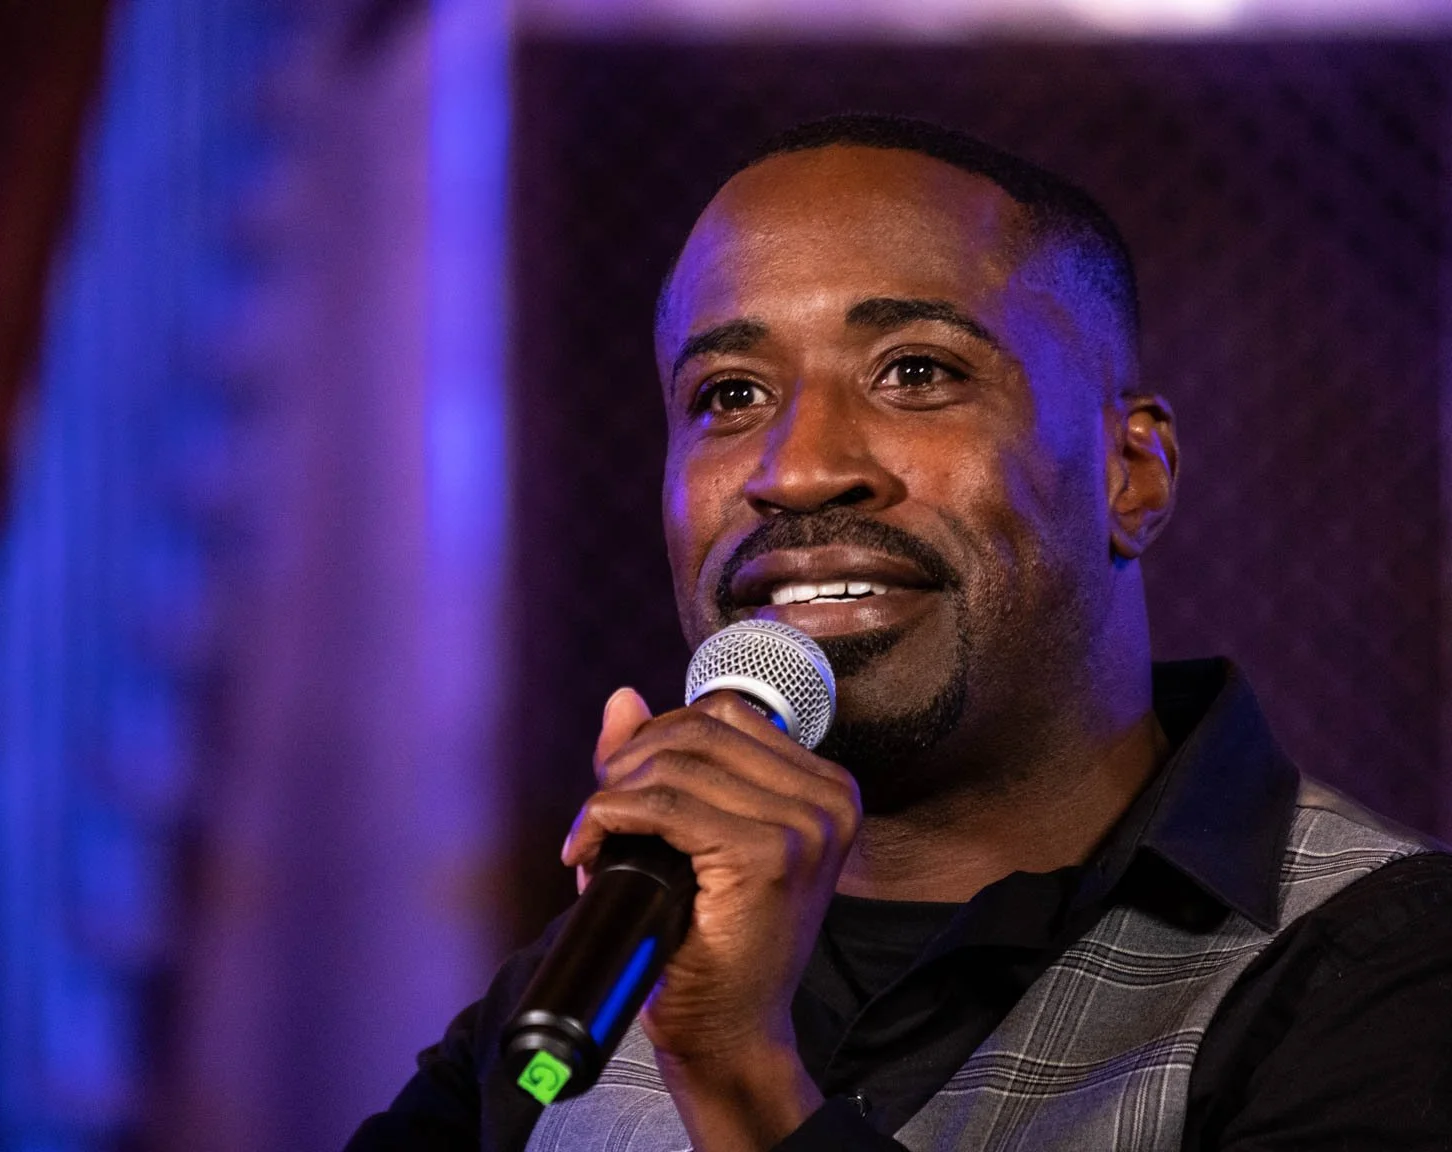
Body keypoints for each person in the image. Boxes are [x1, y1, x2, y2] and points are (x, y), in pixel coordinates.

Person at [348, 114, 1452, 1151]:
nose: (798, 470)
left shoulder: (1386, 964)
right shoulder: (593, 977)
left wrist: (739, 1077)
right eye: (729, 395)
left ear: (1131, 474)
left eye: (916, 373)